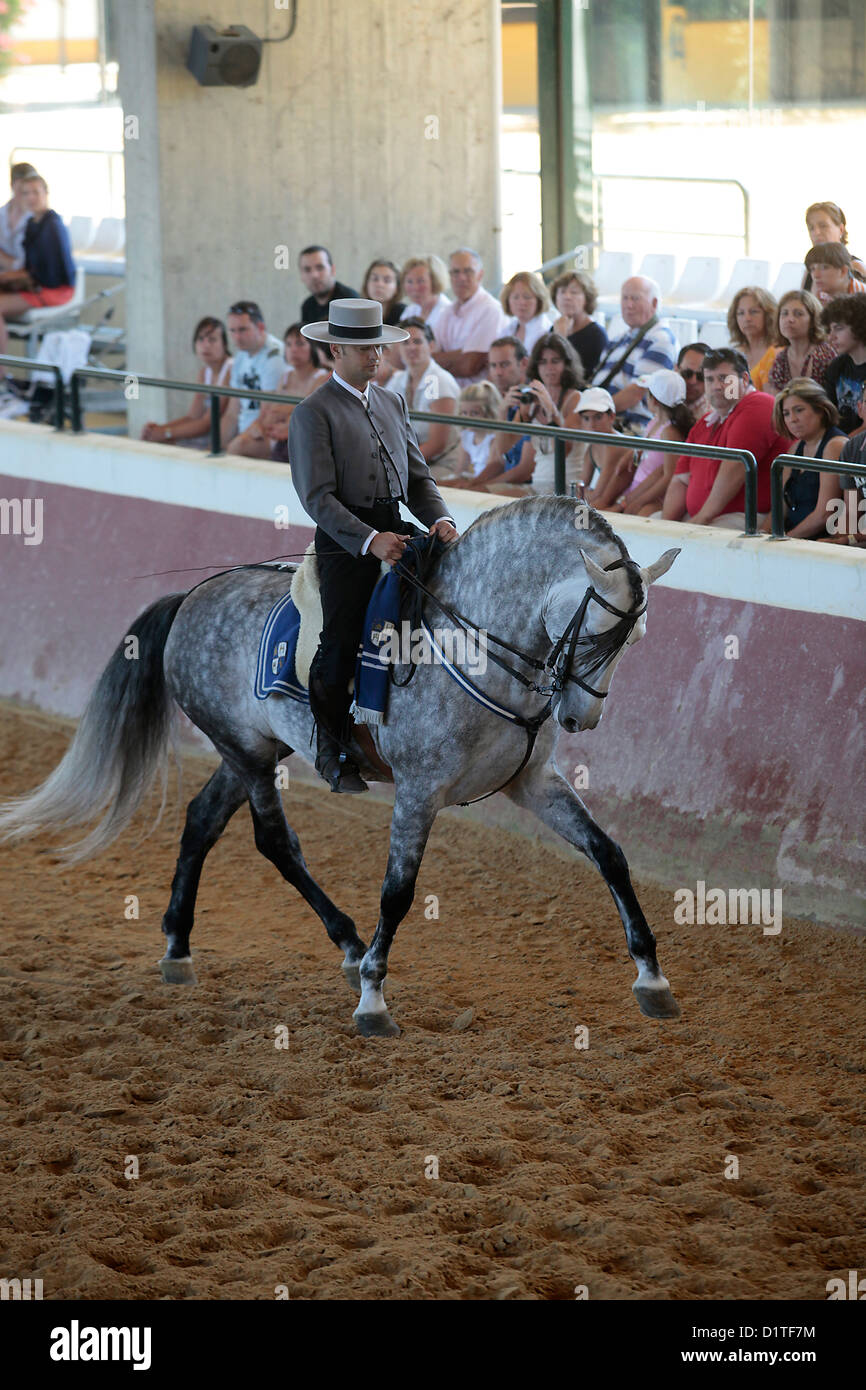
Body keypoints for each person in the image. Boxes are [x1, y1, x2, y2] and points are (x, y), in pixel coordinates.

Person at [289, 299, 458, 793]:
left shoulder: (392, 402)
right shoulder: (312, 413)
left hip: (398, 526)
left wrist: (441, 519)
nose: (376, 355)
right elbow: (317, 498)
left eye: (378, 346)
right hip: (347, 543)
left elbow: (420, 480)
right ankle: (330, 744)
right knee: (339, 641)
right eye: (365, 347)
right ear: (336, 349)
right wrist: (369, 540)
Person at [662, 348, 788, 529]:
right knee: (650, 522)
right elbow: (681, 479)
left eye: (724, 378)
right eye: (709, 379)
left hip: (742, 519)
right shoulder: (705, 422)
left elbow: (734, 470)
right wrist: (665, 528)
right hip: (702, 518)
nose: (716, 386)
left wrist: (698, 522)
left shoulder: (758, 406)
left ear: (744, 379)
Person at [453, 333, 584, 495]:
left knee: (484, 496)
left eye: (555, 361)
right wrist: (503, 411)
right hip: (537, 486)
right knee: (473, 493)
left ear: (567, 364)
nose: (549, 368)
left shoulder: (575, 398)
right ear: (536, 366)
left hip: (562, 488)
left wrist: (551, 410)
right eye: (543, 362)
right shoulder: (532, 402)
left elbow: (564, 450)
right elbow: (503, 448)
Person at [0, 173, 76, 381]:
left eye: (35, 192)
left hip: (53, 290)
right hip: (35, 284)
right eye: (25, 193)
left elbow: (47, 274)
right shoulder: (33, 224)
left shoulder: (52, 225)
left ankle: (1, 372)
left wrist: (12, 278)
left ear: (45, 193)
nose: (31, 198)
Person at [758, 379, 845, 539]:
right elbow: (781, 505)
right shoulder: (794, 449)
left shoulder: (835, 445)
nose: (792, 419)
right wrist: (762, 535)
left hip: (822, 540)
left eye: (799, 410)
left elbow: (825, 513)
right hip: (794, 537)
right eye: (786, 413)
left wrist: (785, 540)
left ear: (820, 409)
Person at [590, 275, 677, 432]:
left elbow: (636, 393)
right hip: (600, 422)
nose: (629, 305)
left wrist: (592, 411)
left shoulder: (660, 339)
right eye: (625, 298)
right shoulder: (618, 340)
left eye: (636, 298)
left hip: (628, 427)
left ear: (654, 303)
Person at [141, 317, 233, 445]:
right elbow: (193, 416)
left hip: (224, 437)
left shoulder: (230, 370)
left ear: (225, 344)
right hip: (208, 434)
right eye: (201, 339)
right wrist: (157, 430)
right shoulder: (204, 373)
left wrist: (165, 432)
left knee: (166, 441)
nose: (205, 345)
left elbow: (207, 423)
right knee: (156, 440)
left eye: (212, 340)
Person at [385, 316, 460, 475]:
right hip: (410, 460)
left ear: (431, 346)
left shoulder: (438, 380)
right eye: (405, 342)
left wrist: (398, 463)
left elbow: (437, 444)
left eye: (417, 341)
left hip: (442, 464)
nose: (411, 347)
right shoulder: (398, 380)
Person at [613, 370, 693, 517]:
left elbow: (669, 476)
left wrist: (639, 501)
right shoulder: (654, 422)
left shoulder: (670, 433)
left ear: (654, 400)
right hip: (638, 489)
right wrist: (632, 454)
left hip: (655, 497)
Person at [432, 247, 508, 386]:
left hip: (477, 400)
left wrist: (440, 359)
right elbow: (428, 359)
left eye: (468, 271)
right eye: (455, 272)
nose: (461, 278)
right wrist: (460, 355)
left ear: (480, 275)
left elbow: (469, 366)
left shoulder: (491, 310)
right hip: (447, 393)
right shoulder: (446, 312)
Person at [219, 300, 285, 457]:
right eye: (232, 331)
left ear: (260, 327)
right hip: (246, 433)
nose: (237, 337)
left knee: (238, 448)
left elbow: (266, 414)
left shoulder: (274, 355)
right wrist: (215, 446)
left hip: (267, 433)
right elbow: (232, 414)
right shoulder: (241, 356)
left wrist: (231, 449)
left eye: (242, 330)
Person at [263, 323, 331, 464]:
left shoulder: (321, 378)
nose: (293, 350)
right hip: (277, 433)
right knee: (239, 446)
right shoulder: (285, 377)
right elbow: (272, 412)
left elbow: (308, 414)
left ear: (313, 348)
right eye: (288, 344)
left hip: (301, 438)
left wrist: (284, 413)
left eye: (300, 344)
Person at [575, 388, 639, 510]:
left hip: (626, 506)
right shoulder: (592, 446)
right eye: (586, 419)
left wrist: (585, 496)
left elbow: (600, 496)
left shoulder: (615, 447)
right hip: (613, 504)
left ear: (612, 417)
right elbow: (580, 491)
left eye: (598, 417)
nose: (591, 425)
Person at [767, 290, 836, 393]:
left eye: (798, 314)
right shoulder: (781, 359)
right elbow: (777, 402)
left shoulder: (824, 355)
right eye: (784, 313)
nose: (790, 319)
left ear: (813, 320)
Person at [820, 294, 866, 433]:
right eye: (830, 329)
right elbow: (829, 417)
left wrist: (843, 446)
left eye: (839, 328)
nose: (831, 336)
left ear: (860, 326)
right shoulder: (836, 367)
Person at [549, 268, 608, 377]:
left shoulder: (596, 335)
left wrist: (561, 339)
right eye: (562, 291)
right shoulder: (554, 328)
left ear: (587, 299)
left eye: (574, 292)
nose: (567, 297)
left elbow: (581, 377)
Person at [803, 202, 865, 294]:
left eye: (823, 226)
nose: (816, 232)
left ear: (841, 229)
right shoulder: (810, 270)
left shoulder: (856, 267)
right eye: (811, 228)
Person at [362, 259, 406, 386]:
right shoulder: (360, 312)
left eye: (387, 280)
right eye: (375, 279)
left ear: (397, 287)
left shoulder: (403, 314)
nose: (379, 284)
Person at [726, 286, 778, 390]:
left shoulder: (778, 353)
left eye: (754, 312)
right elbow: (729, 395)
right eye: (741, 313)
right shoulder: (733, 355)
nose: (747, 318)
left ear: (769, 315)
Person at [298, 245, 359, 324]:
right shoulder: (307, 306)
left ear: (332, 270)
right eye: (307, 270)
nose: (314, 275)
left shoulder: (350, 301)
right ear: (301, 276)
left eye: (320, 268)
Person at [499, 270, 554, 354]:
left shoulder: (546, 331)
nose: (521, 302)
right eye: (515, 297)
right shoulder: (508, 330)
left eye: (527, 297)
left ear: (539, 300)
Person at [398, 255, 451, 338]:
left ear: (435, 281)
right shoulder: (410, 311)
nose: (415, 287)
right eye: (409, 281)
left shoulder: (448, 312)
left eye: (420, 281)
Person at [0, 161, 37, 269]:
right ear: (12, 185)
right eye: (22, 187)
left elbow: (31, 266)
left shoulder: (37, 219)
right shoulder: (1, 214)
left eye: (32, 190)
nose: (27, 193)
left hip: (23, 280)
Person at [676, 341, 710, 421]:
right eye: (687, 373)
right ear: (676, 370)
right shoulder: (665, 397)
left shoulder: (711, 416)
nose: (693, 381)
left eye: (701, 376)